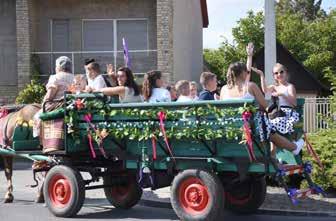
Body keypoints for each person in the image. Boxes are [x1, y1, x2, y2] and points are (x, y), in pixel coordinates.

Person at [220, 62, 304, 156]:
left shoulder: (223, 89)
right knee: (268, 128)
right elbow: (265, 105)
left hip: (228, 126)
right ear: (243, 73)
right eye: (247, 72)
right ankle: (293, 148)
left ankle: (274, 155)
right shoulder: (250, 86)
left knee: (268, 125)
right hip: (248, 126)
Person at [252, 63, 300, 157]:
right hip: (279, 114)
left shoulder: (290, 86)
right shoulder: (275, 87)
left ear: (286, 73)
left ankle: (275, 153)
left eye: (281, 72)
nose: (279, 74)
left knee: (270, 126)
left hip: (288, 114)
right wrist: (261, 75)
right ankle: (272, 155)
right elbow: (265, 90)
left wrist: (282, 94)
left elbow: (294, 103)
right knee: (266, 126)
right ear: (274, 76)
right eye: (276, 73)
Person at [34, 56, 74, 153]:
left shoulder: (55, 78)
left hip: (56, 105)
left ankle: (42, 143)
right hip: (71, 106)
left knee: (37, 116)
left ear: (59, 67)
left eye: (56, 66)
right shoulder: (74, 78)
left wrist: (43, 103)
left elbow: (49, 97)